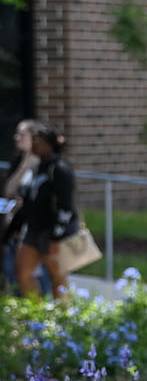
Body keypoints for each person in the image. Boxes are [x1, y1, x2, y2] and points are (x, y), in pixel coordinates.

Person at [3, 122, 76, 300]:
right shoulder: (34, 169)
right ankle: (36, 314)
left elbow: (66, 205)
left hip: (54, 232)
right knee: (23, 272)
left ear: (48, 144)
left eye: (38, 141)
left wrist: (56, 237)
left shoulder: (60, 168)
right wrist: (10, 231)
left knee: (57, 276)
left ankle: (64, 316)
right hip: (34, 229)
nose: (34, 144)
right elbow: (26, 204)